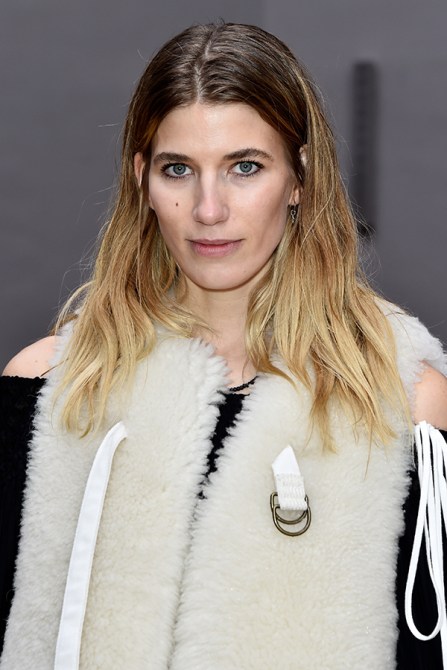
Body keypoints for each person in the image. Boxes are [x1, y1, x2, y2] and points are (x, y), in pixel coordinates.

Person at [1, 21, 447, 670]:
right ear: (142, 181)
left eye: (245, 167)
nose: (208, 209)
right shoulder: (52, 392)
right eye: (178, 169)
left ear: (299, 177)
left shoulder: (403, 403)